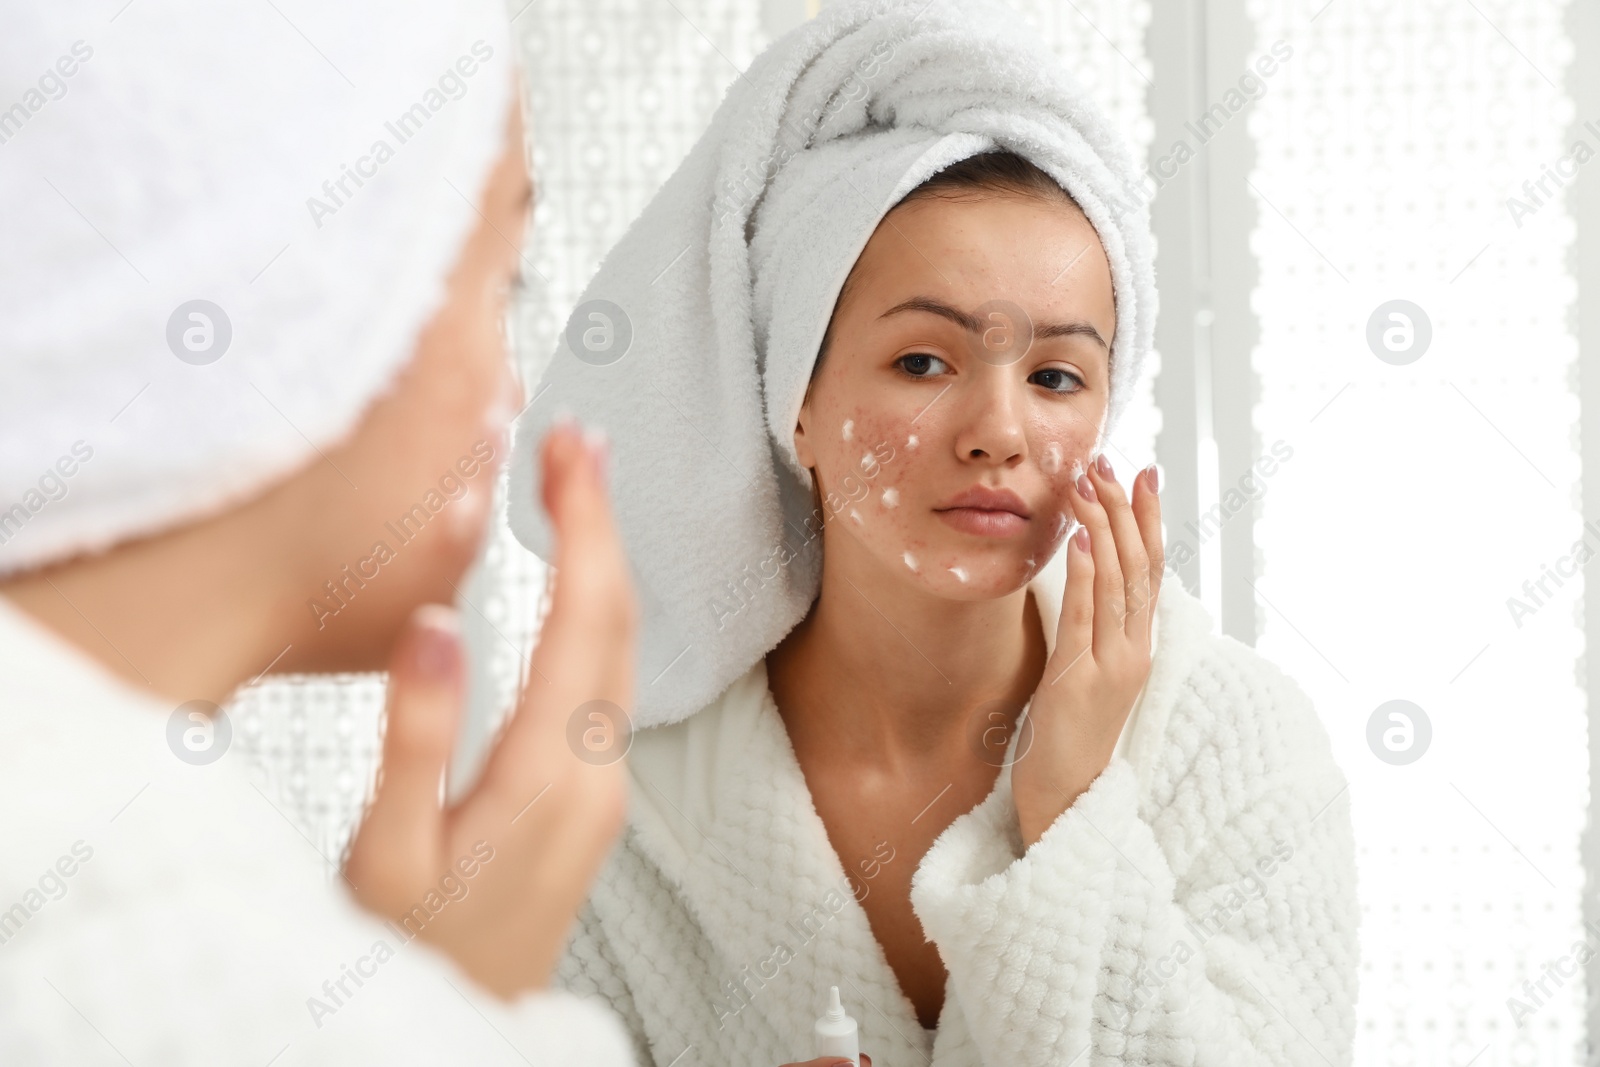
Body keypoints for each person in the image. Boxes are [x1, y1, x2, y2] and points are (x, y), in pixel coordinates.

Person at [507, 1, 1359, 1064]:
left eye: (1055, 376)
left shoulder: (1232, 745)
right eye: (923, 361)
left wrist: (1072, 806)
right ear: (793, 403)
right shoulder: (617, 795)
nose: (999, 430)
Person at [0, 2, 638, 1062]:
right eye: (498, 279)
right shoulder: (203, 988)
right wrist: (445, 1024)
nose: (513, 387)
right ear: (318, 289)